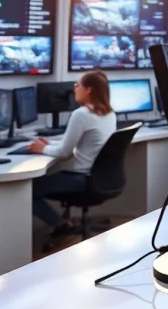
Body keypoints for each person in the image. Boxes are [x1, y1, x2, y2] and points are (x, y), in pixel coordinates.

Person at [28, 71, 117, 236]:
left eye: (77, 85)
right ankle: (63, 224)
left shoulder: (81, 114)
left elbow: (64, 153)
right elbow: (83, 142)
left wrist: (42, 149)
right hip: (99, 179)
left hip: (80, 179)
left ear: (88, 90)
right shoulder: (109, 113)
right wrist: (50, 144)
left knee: (26, 192)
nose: (74, 88)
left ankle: (62, 225)